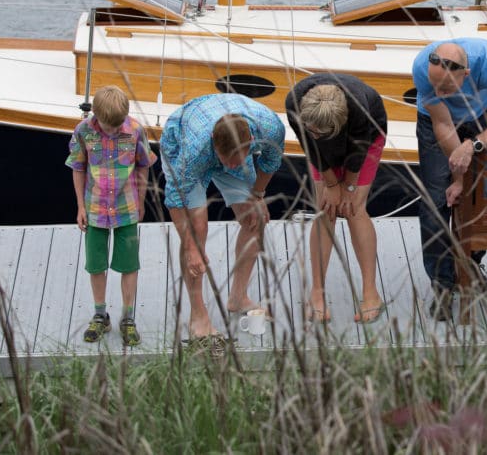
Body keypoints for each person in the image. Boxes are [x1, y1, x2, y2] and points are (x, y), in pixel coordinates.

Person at [160, 93, 286, 340]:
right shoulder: (193, 150)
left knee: (255, 219)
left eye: (234, 160)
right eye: (224, 159)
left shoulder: (270, 128)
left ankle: (238, 298)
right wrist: (193, 247)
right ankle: (198, 315)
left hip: (226, 137)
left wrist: (257, 196)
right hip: (182, 140)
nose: (228, 165)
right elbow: (175, 198)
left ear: (251, 141)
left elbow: (271, 161)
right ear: (212, 144)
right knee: (196, 232)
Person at [413, 38, 487, 321]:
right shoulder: (422, 68)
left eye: (446, 88)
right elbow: (442, 123)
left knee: (481, 195)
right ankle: (443, 283)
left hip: (481, 118)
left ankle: (470, 268)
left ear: (467, 74)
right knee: (436, 199)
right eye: (435, 86)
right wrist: (458, 178)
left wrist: (472, 145)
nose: (439, 92)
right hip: (436, 124)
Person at [286, 74, 388, 324]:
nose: (315, 134)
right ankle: (317, 293)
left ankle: (370, 292)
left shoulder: (361, 109)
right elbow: (310, 146)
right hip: (319, 148)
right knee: (326, 208)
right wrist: (331, 184)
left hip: (367, 137)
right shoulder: (294, 104)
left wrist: (349, 188)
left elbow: (358, 151)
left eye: (321, 132)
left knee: (354, 209)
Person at [65, 85, 155, 346]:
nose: (114, 131)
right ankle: (100, 314)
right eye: (108, 126)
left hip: (126, 207)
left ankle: (127, 318)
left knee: (129, 264)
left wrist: (141, 200)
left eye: (117, 126)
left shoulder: (136, 130)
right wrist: (80, 206)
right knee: (96, 264)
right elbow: (78, 167)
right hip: (95, 209)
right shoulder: (83, 132)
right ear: (96, 116)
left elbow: (143, 165)